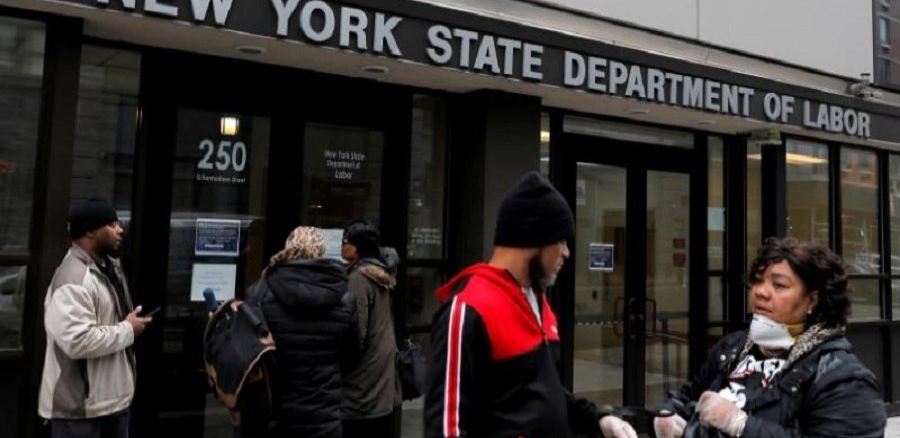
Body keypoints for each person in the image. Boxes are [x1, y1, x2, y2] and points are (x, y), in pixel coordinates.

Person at [424, 171, 637, 438]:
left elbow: (543, 393)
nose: (566, 253)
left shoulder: (538, 302)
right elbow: (446, 428)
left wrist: (598, 420)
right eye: (560, 240)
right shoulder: (468, 309)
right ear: (533, 238)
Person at [652, 236, 886, 438]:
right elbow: (688, 396)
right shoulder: (733, 347)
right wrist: (664, 416)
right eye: (757, 281)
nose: (760, 292)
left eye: (779, 285)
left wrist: (742, 425)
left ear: (812, 300)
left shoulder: (843, 378)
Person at [38, 198, 153, 438]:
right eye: (111, 224)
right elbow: (77, 340)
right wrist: (128, 330)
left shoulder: (109, 268)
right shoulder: (73, 278)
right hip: (80, 413)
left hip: (113, 405)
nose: (120, 229)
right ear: (90, 231)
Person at [244, 225, 358, 438]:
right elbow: (351, 356)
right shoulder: (345, 299)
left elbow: (250, 356)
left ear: (288, 249)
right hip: (326, 418)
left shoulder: (261, 293)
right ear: (321, 252)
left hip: (276, 416)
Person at [340, 219, 402, 438]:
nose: (341, 246)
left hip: (363, 384)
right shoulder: (381, 274)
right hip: (381, 379)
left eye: (346, 242)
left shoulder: (358, 278)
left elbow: (355, 333)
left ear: (358, 247)